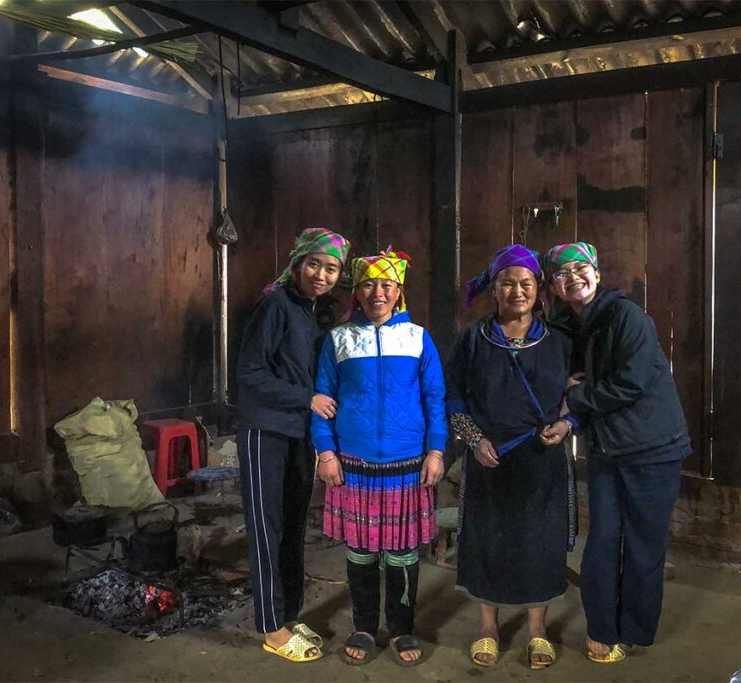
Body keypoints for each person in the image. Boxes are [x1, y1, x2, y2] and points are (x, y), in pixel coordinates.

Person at [544, 242, 691, 664]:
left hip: (653, 448)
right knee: (603, 541)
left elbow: (631, 384)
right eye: (563, 273)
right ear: (554, 286)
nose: (574, 277)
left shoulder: (627, 317)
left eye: (581, 268)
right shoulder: (567, 325)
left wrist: (578, 395)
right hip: (608, 448)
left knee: (644, 545)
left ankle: (634, 632)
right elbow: (563, 376)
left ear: (596, 272)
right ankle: (602, 627)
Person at [445, 244, 579, 670]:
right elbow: (455, 396)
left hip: (543, 455)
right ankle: (488, 628)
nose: (517, 290)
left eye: (526, 283)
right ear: (494, 289)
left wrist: (568, 422)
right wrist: (472, 439)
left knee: (539, 541)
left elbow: (578, 392)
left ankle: (537, 630)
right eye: (508, 283)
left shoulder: (558, 340)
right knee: (488, 539)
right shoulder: (473, 338)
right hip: (489, 456)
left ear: (539, 290)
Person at [311, 249, 447, 667]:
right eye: (369, 284)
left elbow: (435, 398)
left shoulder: (419, 338)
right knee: (362, 554)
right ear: (357, 291)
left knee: (403, 555)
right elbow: (322, 401)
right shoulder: (338, 340)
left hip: (407, 465)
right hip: (353, 466)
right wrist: (326, 452)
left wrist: (437, 449)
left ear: (399, 291)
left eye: (387, 285)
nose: (378, 293)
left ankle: (403, 627)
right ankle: (365, 627)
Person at [235, 227, 350, 663]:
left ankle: (288, 614)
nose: (321, 274)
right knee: (267, 530)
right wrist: (306, 398)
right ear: (298, 263)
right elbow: (250, 373)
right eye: (314, 264)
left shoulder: (315, 311)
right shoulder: (275, 305)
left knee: (293, 527)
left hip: (300, 433)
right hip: (265, 431)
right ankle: (271, 628)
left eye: (331, 268)